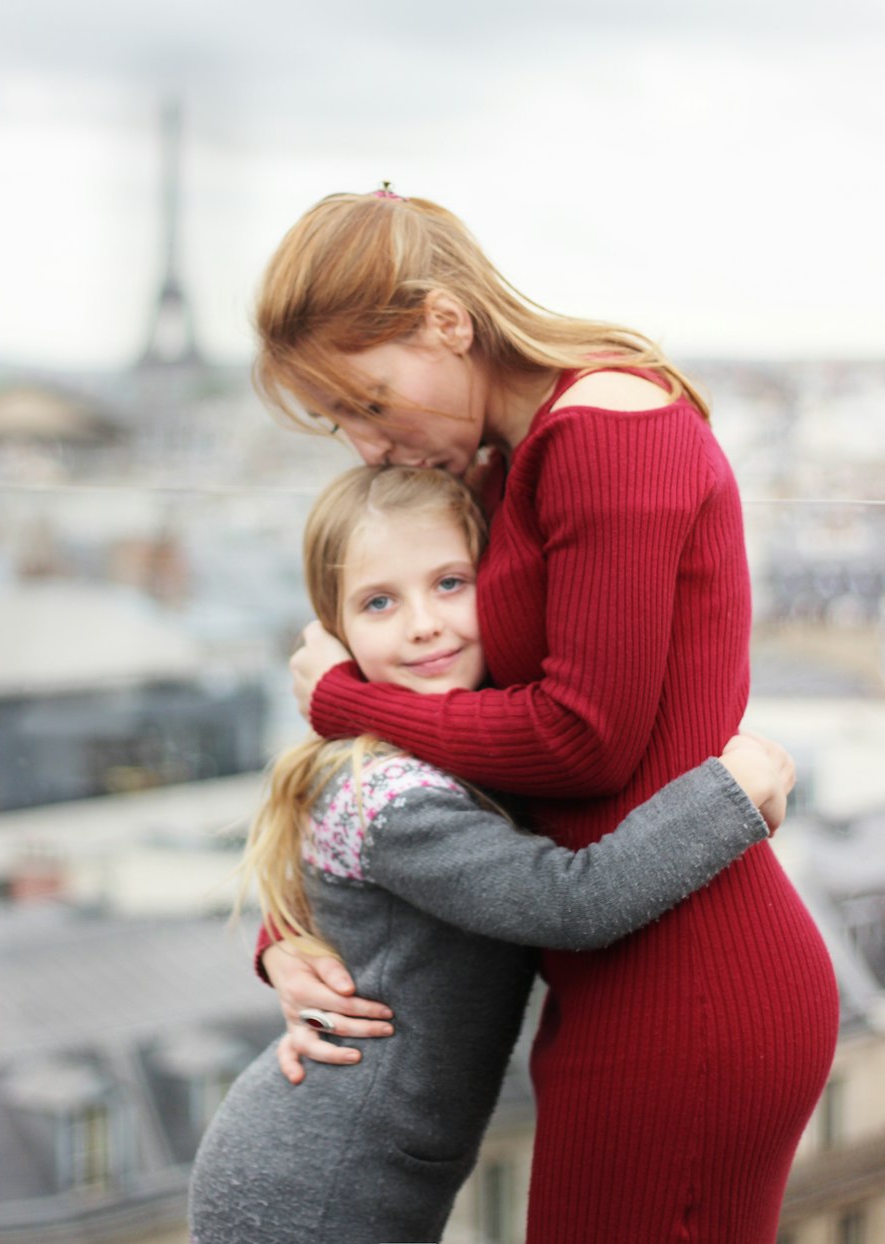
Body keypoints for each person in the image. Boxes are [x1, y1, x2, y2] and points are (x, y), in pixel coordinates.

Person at [251, 189, 840, 1244]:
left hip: (688, 984)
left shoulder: (608, 430)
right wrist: (294, 939)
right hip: (615, 975)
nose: (364, 445)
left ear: (444, 321)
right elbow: (447, 755)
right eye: (337, 421)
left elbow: (581, 737)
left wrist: (343, 700)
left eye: (369, 402)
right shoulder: (499, 463)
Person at [189, 463, 792, 1244]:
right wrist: (730, 793)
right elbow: (569, 903)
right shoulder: (389, 793)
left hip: (345, 1165)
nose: (423, 625)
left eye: (450, 583)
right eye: (379, 602)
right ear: (334, 636)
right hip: (309, 1186)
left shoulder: (457, 748)